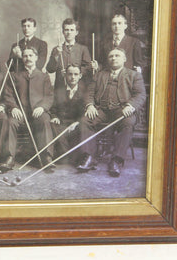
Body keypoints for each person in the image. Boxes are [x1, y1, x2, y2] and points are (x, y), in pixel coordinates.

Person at [77, 48, 146, 177]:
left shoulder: (134, 75)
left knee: (128, 122)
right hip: (101, 110)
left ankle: (116, 160)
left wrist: (130, 106)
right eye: (111, 56)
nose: (114, 58)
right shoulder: (99, 75)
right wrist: (90, 105)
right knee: (85, 120)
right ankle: (89, 157)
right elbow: (89, 93)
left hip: (122, 109)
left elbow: (140, 94)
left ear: (124, 59)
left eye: (117, 56)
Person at [4, 47, 54, 173]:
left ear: (36, 57)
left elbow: (49, 96)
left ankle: (47, 157)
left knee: (45, 120)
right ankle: (9, 157)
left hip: (38, 112)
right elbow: (8, 95)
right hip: (20, 112)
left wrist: (42, 107)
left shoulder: (43, 76)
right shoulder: (15, 75)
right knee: (11, 122)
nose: (28, 58)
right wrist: (14, 107)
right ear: (22, 58)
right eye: (25, 56)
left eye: (31, 55)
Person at [49, 64, 87, 160]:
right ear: (65, 75)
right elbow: (53, 108)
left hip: (76, 124)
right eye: (70, 74)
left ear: (80, 76)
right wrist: (54, 117)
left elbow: (85, 112)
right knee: (52, 124)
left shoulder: (85, 92)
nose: (72, 77)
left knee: (83, 127)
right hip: (61, 123)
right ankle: (67, 155)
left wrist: (77, 122)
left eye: (75, 74)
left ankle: (66, 155)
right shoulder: (59, 91)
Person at [46, 18, 94, 89]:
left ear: (76, 32)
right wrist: (56, 56)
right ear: (63, 32)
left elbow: (88, 67)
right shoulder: (56, 49)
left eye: (72, 30)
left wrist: (74, 72)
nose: (69, 32)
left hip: (78, 89)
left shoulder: (83, 49)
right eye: (66, 30)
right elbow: (50, 69)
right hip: (60, 88)